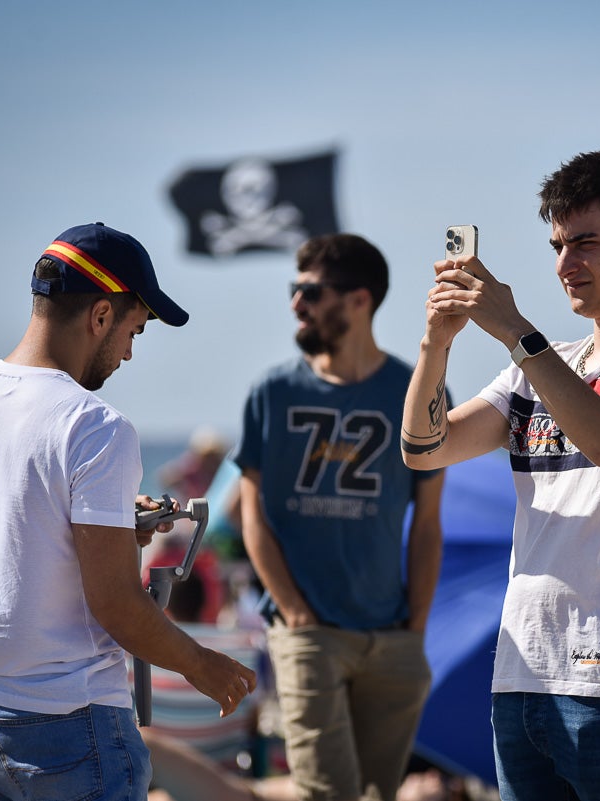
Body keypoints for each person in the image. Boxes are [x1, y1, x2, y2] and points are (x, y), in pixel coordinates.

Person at [402, 151, 600, 801]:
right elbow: (424, 448)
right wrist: (437, 342)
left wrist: (515, 328)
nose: (564, 264)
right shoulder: (540, 367)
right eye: (556, 245)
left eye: (585, 242)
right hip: (521, 675)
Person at [0, 222, 258, 801]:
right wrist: (203, 665)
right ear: (101, 315)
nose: (128, 351)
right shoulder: (94, 425)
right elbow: (117, 606)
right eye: (134, 330)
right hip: (68, 727)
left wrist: (117, 531)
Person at [235, 233, 444, 801]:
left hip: (391, 635)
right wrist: (297, 614)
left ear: (359, 299)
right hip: (309, 634)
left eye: (309, 290)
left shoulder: (413, 390)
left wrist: (415, 629)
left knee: (378, 793)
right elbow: (250, 510)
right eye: (293, 289)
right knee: (329, 793)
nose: (295, 304)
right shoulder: (272, 391)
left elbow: (427, 523)